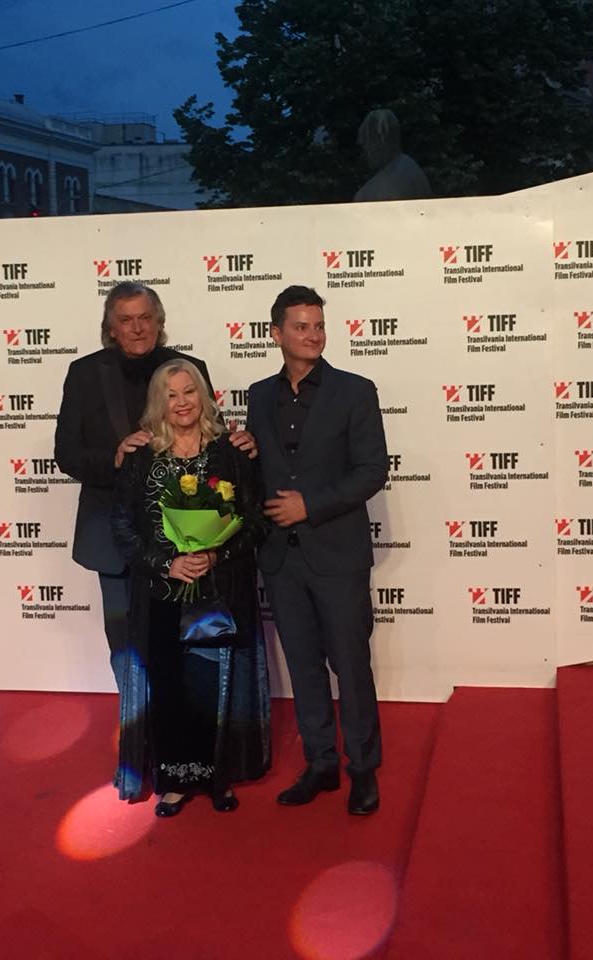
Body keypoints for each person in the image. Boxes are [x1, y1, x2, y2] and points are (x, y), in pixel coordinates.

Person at [54, 282, 254, 692]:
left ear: (160, 322)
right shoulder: (85, 373)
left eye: (145, 318)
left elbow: (212, 444)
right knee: (126, 643)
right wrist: (115, 457)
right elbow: (67, 454)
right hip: (114, 539)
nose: (137, 327)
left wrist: (242, 443)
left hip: (186, 541)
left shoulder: (189, 367)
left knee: (187, 642)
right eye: (126, 320)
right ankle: (136, 723)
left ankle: (179, 725)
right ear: (111, 328)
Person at [246, 285, 389, 815]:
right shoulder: (259, 396)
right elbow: (261, 466)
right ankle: (321, 763)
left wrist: (311, 505)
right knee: (304, 666)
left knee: (350, 667)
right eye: (301, 326)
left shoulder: (355, 391)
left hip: (337, 554)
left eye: (319, 326)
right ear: (276, 333)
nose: (313, 335)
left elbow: (372, 470)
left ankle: (363, 769)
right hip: (281, 559)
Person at [110, 359, 270, 813]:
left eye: (189, 392)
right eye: (171, 395)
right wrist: (167, 564)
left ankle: (220, 776)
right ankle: (176, 780)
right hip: (161, 592)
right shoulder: (141, 455)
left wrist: (216, 555)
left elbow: (255, 521)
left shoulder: (231, 452)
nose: (182, 403)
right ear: (158, 403)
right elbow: (122, 527)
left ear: (204, 395)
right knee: (170, 685)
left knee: (216, 684)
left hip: (220, 587)